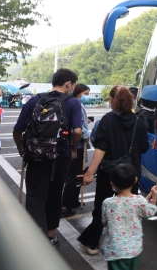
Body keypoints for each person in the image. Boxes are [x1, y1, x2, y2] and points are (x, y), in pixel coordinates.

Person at [12, 68, 83, 247]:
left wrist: (21, 149)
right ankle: (50, 235)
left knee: (36, 196)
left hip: (35, 156)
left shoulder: (35, 100)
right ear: (68, 83)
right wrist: (74, 149)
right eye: (72, 85)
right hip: (61, 156)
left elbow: (17, 129)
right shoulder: (72, 102)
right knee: (54, 195)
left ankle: (36, 239)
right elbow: (77, 131)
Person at [78, 86, 149, 255]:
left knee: (102, 208)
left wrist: (90, 172)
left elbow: (101, 147)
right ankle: (125, 246)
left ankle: (92, 243)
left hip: (109, 173)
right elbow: (144, 147)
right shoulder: (140, 121)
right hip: (131, 175)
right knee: (127, 210)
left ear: (114, 101)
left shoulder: (107, 120)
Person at [101, 163, 157, 270]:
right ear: (135, 180)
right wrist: (154, 196)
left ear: (112, 184)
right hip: (134, 249)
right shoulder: (139, 201)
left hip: (115, 251)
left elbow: (104, 221)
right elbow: (150, 212)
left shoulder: (108, 203)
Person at [61, 83, 92, 217]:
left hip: (78, 144)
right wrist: (86, 134)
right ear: (78, 91)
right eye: (86, 93)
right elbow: (76, 128)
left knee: (77, 174)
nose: (87, 96)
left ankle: (73, 200)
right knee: (73, 176)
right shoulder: (76, 104)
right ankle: (64, 205)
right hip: (76, 144)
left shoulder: (74, 103)